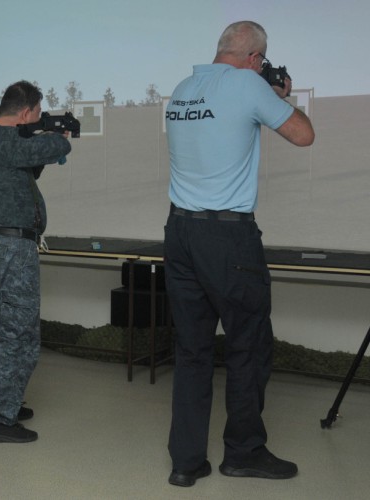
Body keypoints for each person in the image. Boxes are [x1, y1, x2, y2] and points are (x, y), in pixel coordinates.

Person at [163, 21, 315, 486]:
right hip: (228, 237)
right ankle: (244, 452)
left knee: (192, 350)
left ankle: (186, 462)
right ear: (254, 58)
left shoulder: (182, 89)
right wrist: (279, 95)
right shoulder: (249, 84)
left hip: (180, 232)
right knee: (248, 345)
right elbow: (303, 134)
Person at [0, 81, 71, 443]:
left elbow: (26, 167)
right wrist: (58, 134)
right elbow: (56, 146)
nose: (39, 118)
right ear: (26, 113)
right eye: (38, 113)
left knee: (0, 329)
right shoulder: (5, 139)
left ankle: (3, 400)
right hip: (12, 249)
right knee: (18, 333)